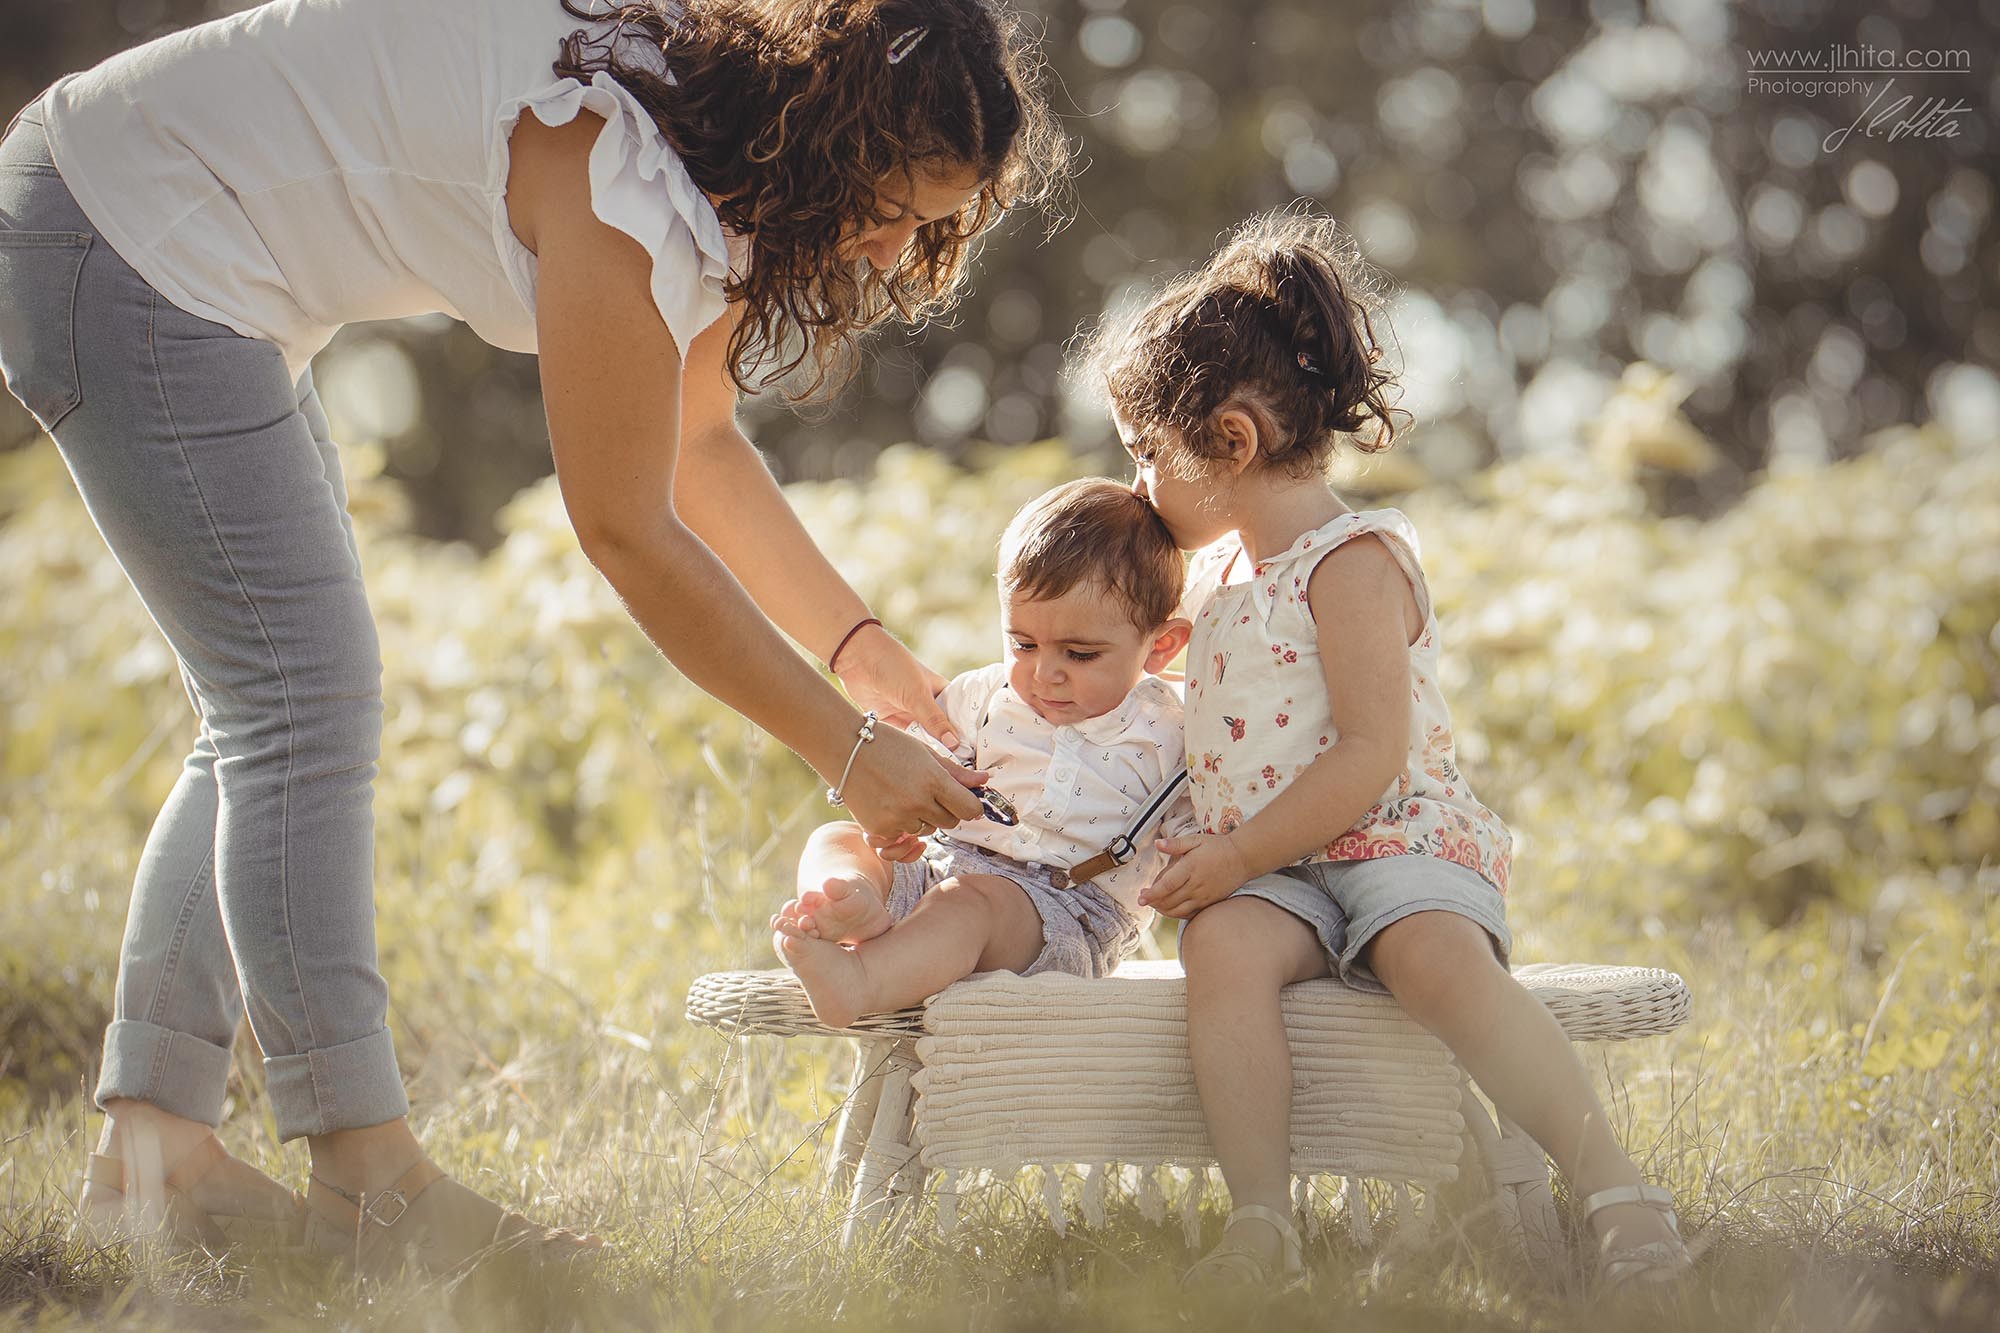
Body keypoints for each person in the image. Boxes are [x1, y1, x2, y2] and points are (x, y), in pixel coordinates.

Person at [0, 0, 1066, 1271]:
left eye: (925, 224)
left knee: (273, 705)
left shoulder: (716, 151)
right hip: (119, 227)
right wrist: (845, 751)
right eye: (886, 203)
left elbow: (698, 441)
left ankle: (154, 1157)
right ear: (822, 140)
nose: (893, 252)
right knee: (296, 701)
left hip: (165, 239)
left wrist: (860, 651)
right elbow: (628, 530)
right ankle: (366, 1181)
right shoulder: (622, 171)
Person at [1085, 210, 1694, 1289]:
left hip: (1391, 840)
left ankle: (1611, 1183)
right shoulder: (1226, 579)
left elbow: (1367, 751)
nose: (1138, 485)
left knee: (1429, 956)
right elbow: (1238, 715)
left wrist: (1228, 859)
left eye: (1146, 455)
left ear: (1230, 440)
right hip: (1280, 868)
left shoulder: (1350, 563)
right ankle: (1262, 1220)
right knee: (1218, 952)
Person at [772, 478, 1195, 1027]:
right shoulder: (983, 697)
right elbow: (910, 773)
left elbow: (1193, 830)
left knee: (966, 904)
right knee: (835, 839)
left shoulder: (1169, 731)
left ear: (1160, 645)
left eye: (1081, 654)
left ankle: (861, 980)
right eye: (1023, 644)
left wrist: (1191, 869)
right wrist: (892, 833)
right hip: (942, 870)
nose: (1045, 673)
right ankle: (846, 903)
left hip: (1063, 915)